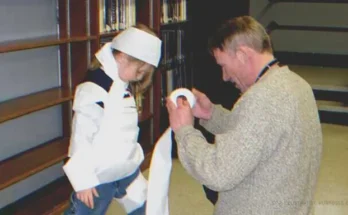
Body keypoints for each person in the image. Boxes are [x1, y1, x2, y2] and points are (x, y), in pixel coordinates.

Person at [166, 16, 322, 215]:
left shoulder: (261, 98)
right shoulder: (297, 85)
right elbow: (257, 136)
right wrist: (210, 114)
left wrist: (184, 131)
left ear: (242, 54)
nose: (224, 76)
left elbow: (218, 172)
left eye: (223, 65)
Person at [63, 23, 162, 215]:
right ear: (123, 57)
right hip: (98, 175)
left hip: (125, 168)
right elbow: (81, 136)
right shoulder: (95, 88)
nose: (138, 78)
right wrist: (83, 181)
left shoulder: (121, 83)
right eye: (139, 71)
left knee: (148, 206)